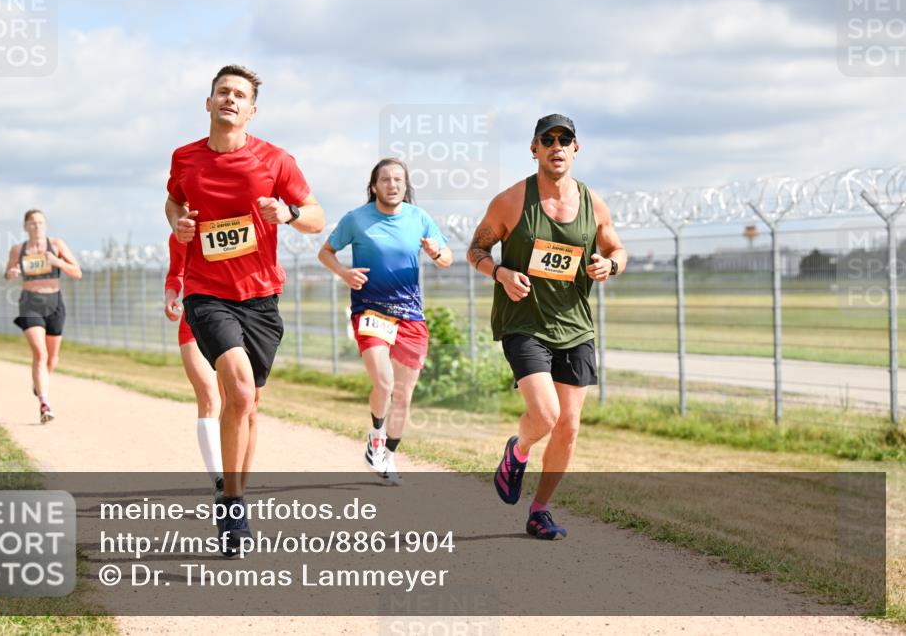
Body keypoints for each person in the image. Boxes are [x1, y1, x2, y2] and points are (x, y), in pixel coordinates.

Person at [164, 64, 324, 556]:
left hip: (261, 298)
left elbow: (317, 218)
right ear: (208, 103)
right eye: (222, 92)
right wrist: (180, 225)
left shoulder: (276, 160)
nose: (230, 99)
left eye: (240, 94)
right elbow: (172, 203)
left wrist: (290, 213)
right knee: (234, 387)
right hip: (208, 295)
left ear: (252, 109)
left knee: (248, 406)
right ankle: (233, 509)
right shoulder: (185, 158)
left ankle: (234, 493)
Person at [466, 114, 627, 540]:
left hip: (575, 326)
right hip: (525, 322)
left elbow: (618, 248)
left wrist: (609, 264)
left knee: (569, 426)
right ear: (534, 148)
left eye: (565, 139)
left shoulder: (593, 204)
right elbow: (476, 249)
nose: (557, 146)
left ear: (576, 149)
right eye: (547, 139)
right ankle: (517, 453)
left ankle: (540, 510)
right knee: (546, 414)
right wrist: (499, 273)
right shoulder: (511, 201)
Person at [318, 158, 452, 485]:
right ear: (374, 186)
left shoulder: (419, 218)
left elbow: (446, 259)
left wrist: (435, 252)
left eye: (398, 180)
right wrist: (343, 273)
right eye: (386, 180)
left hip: (410, 315)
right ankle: (376, 433)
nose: (392, 185)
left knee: (404, 395)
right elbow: (326, 252)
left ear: (405, 187)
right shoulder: (357, 219)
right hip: (371, 310)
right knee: (385, 383)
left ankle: (388, 457)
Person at [163, 232, 230, 499]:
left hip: (233, 319)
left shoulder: (234, 220)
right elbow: (175, 272)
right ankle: (219, 480)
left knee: (232, 401)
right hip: (194, 320)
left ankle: (232, 471)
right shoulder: (182, 231)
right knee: (209, 397)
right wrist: (171, 296)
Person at [5, 209, 82, 423]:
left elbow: (77, 272)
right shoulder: (17, 250)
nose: (36, 226)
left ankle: (39, 384)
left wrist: (57, 262)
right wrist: (11, 273)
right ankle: (45, 404)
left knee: (51, 358)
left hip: (54, 302)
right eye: (32, 223)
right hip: (30, 303)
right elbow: (8, 273)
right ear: (25, 226)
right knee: (40, 354)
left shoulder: (56, 245)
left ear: (45, 225)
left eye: (40, 223)